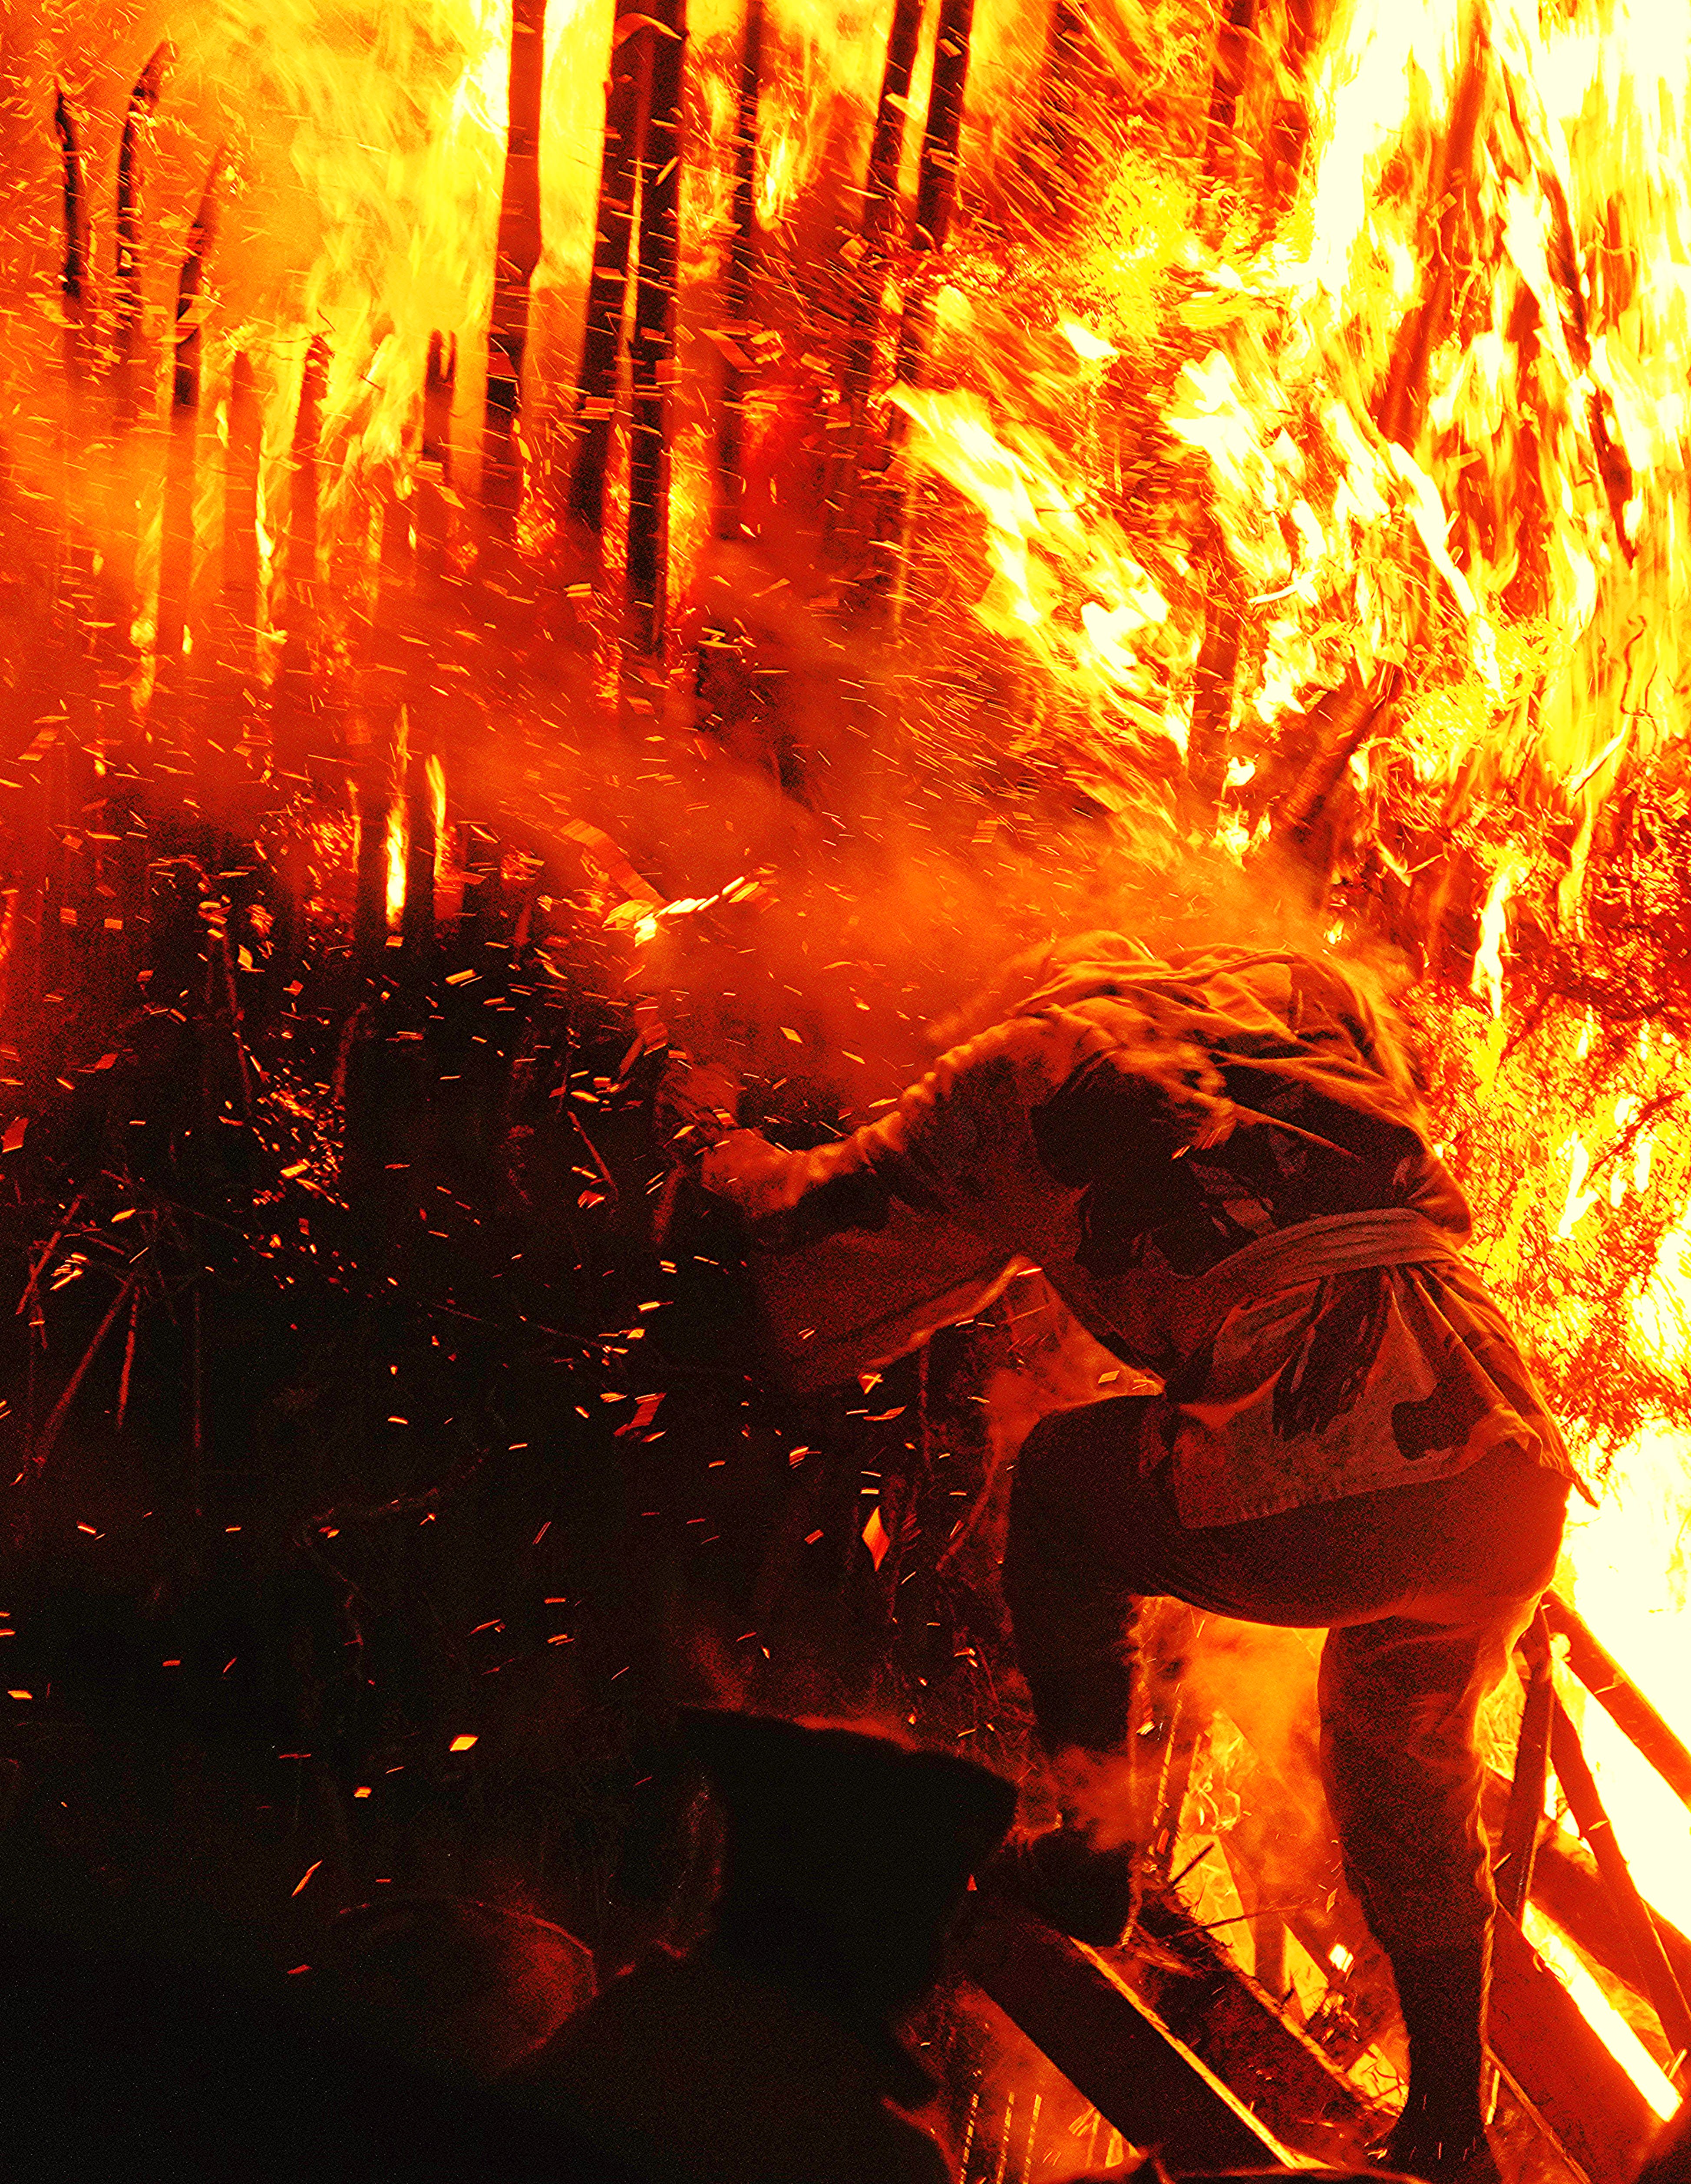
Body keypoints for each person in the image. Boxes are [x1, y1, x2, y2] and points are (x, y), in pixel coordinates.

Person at [699, 936, 1577, 2184]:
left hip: (1333, 1444)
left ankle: (1093, 1850)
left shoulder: (1017, 1067)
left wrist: (726, 1162)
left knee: (1064, 1483)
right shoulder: (1300, 998)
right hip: (1502, 1454)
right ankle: (1446, 2116)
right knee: (1408, 1768)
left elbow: (824, 1246)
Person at [506, 1709, 1018, 2184]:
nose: (944, 1952)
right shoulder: (866, 2159)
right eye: (934, 1919)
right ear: (888, 1932)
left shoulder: (611, 2044)